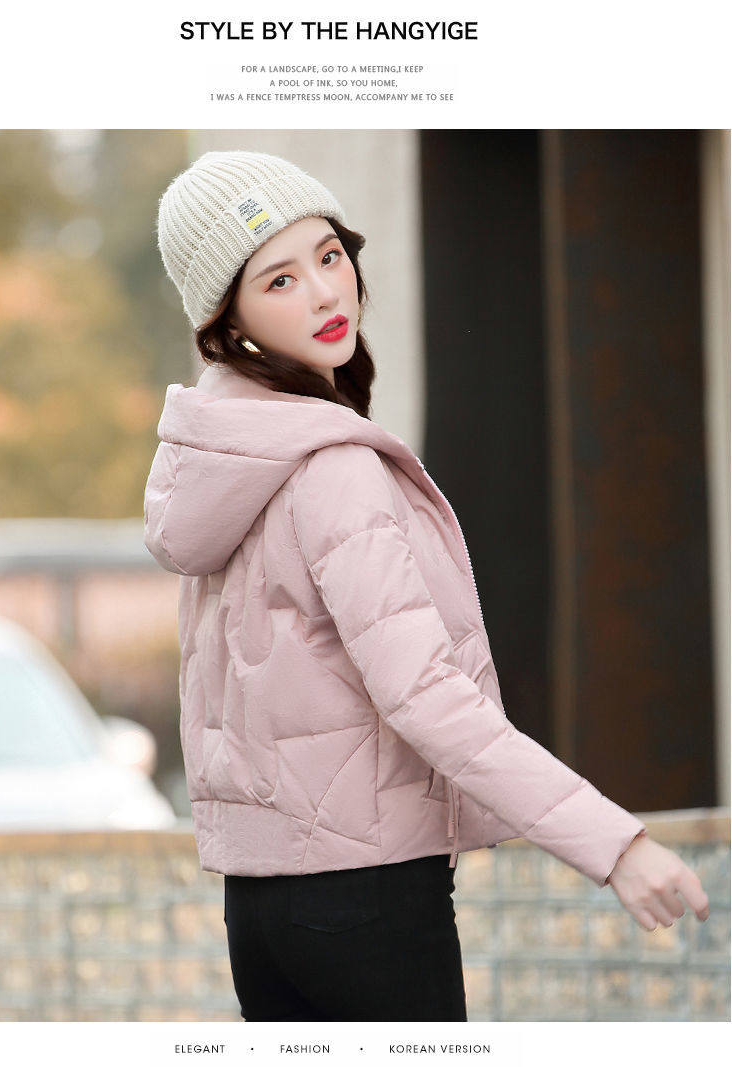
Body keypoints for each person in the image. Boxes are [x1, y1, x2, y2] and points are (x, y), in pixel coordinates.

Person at [143, 149, 710, 1022]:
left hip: (260, 909)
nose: (325, 293)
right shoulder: (330, 467)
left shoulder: (224, 463)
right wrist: (616, 844)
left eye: (329, 256)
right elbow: (425, 693)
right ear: (231, 321)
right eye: (280, 280)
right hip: (368, 903)